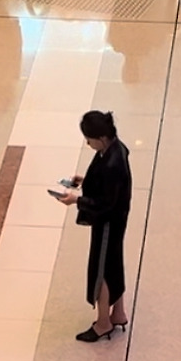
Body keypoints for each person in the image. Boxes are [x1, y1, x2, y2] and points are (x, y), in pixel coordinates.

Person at [56, 110, 132, 342]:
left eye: (89, 139)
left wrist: (76, 200)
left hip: (107, 222)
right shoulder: (116, 148)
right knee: (114, 263)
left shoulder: (111, 163)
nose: (88, 144)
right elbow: (109, 187)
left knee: (102, 270)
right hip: (117, 219)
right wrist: (85, 182)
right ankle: (118, 313)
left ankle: (103, 323)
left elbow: (105, 202)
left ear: (101, 137)